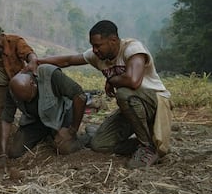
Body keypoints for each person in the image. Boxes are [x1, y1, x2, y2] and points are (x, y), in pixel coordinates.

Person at [38, 20, 173, 169]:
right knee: (99, 145)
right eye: (92, 46)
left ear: (113, 40)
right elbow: (68, 60)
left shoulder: (133, 49)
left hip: (155, 103)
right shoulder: (98, 56)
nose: (95, 50)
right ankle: (147, 144)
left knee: (124, 94)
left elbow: (133, 81)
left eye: (98, 45)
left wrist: (112, 80)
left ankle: (147, 147)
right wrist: (38, 62)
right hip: (133, 109)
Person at [0, 64, 86, 173]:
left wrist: (72, 130)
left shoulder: (50, 75)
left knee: (65, 148)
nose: (28, 102)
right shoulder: (13, 89)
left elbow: (80, 96)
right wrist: (2, 155)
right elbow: (6, 119)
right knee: (14, 152)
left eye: (29, 98)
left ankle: (86, 138)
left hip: (61, 114)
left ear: (33, 84)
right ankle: (49, 134)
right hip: (36, 120)